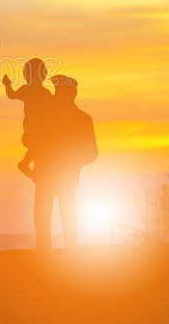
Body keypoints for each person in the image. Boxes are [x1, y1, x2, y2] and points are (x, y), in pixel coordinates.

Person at [33, 74, 97, 251]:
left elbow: (92, 153)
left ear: (71, 94)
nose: (55, 94)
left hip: (64, 178)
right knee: (42, 221)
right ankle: (45, 255)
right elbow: (33, 141)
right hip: (45, 175)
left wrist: (70, 162)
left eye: (59, 91)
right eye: (56, 90)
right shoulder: (45, 117)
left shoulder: (83, 119)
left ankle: (69, 254)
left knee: (68, 220)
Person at [2, 58, 54, 178]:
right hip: (32, 127)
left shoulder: (43, 92)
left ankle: (29, 166)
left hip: (41, 128)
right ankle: (25, 163)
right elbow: (12, 95)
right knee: (37, 145)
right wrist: (7, 84)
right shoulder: (28, 90)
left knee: (39, 147)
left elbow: (53, 105)